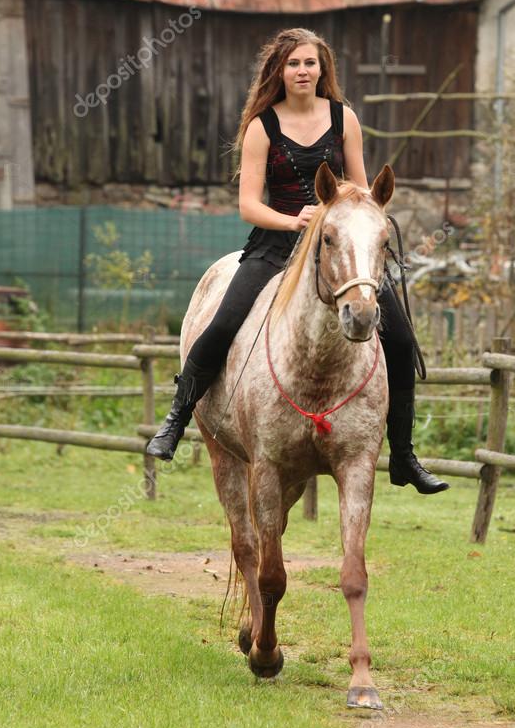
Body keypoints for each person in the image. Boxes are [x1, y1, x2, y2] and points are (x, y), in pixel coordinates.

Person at [147, 28, 448, 495]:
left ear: (322, 68)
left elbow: (361, 191)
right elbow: (249, 204)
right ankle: (176, 419)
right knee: (224, 322)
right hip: (276, 242)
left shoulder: (344, 118)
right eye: (294, 64)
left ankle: (404, 455)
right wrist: (293, 221)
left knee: (403, 340)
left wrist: (352, 220)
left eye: (310, 63)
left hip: (338, 247)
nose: (303, 71)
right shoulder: (261, 126)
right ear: (279, 71)